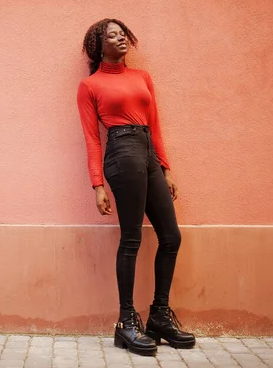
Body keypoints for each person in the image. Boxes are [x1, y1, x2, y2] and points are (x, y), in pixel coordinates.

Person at [76, 19, 196, 356]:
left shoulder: (142, 78)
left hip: (147, 152)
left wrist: (166, 168)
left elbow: (155, 125)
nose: (120, 38)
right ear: (100, 46)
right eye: (112, 35)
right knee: (131, 238)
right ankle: (126, 322)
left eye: (122, 33)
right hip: (121, 153)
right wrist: (97, 184)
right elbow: (91, 139)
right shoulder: (90, 85)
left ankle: (159, 316)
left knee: (171, 236)